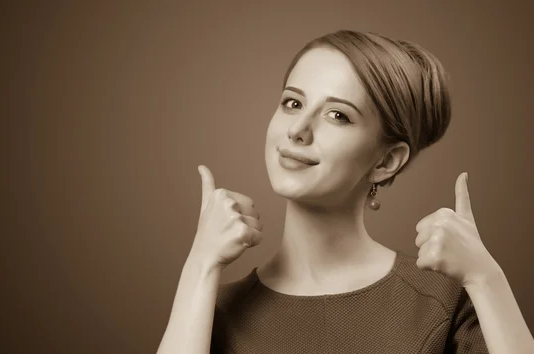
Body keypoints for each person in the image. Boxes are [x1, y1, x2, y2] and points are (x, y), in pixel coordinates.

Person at [156, 30, 534, 354]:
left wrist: (487, 278)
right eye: (293, 103)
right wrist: (200, 266)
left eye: (337, 115)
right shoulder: (211, 308)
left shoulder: (442, 302)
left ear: (386, 161)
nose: (298, 129)